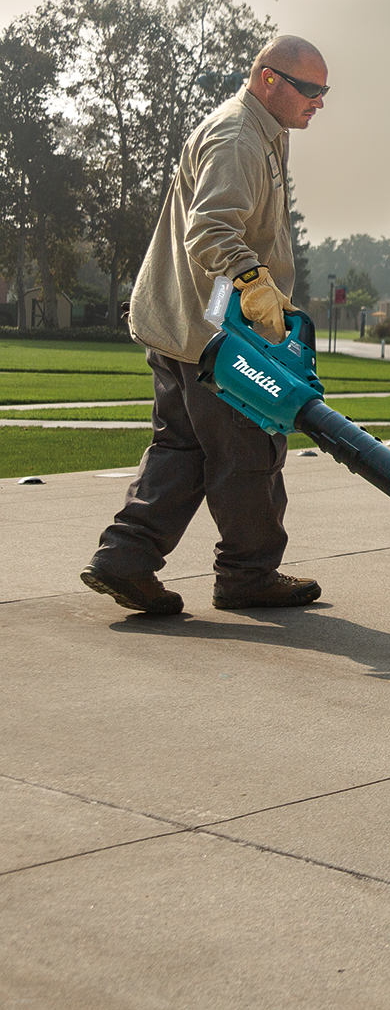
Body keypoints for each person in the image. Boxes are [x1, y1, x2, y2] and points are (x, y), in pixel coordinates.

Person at [82, 36, 330, 616]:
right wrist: (254, 282)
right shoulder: (239, 137)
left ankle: (125, 559)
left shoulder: (260, 130)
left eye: (324, 90)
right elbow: (213, 228)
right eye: (310, 88)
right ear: (269, 79)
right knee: (250, 449)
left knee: (182, 447)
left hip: (181, 321)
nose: (319, 101)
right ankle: (248, 575)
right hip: (214, 335)